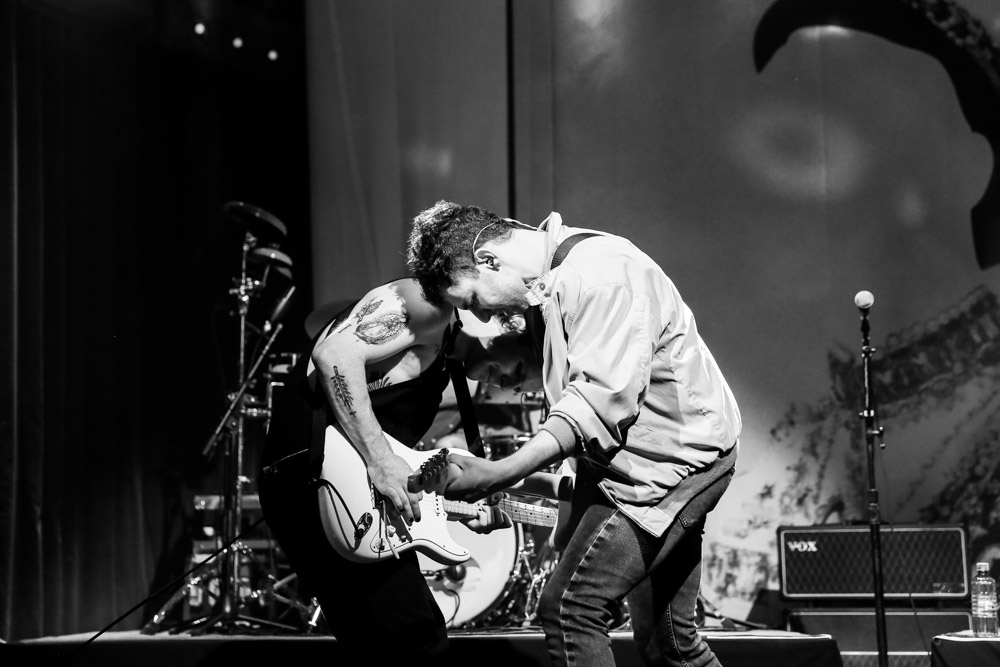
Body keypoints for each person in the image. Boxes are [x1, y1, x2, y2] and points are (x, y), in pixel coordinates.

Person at [406, 201, 742, 667]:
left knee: (570, 609)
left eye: (471, 301)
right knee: (670, 644)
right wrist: (509, 487)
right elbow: (582, 431)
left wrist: (499, 473)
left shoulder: (602, 275)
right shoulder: (552, 285)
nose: (480, 316)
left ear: (487, 260)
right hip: (645, 470)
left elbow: (599, 405)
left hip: (671, 468)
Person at [256, 277, 540, 663]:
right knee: (416, 641)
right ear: (513, 323)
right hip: (313, 480)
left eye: (520, 387)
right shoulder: (426, 303)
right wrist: (382, 461)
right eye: (520, 367)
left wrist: (453, 505)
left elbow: (392, 447)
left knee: (393, 643)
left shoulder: (447, 361)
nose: (510, 385)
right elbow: (334, 355)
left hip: (341, 490)